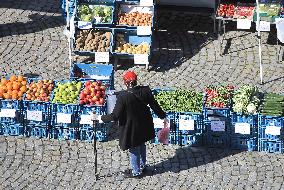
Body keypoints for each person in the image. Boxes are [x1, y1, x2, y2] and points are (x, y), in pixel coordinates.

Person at [93, 70, 168, 179]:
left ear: (125, 83)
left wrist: (99, 118)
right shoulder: (145, 91)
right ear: (136, 81)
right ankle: (143, 166)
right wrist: (163, 116)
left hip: (131, 127)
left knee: (134, 147)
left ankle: (136, 172)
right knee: (142, 144)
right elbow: (154, 105)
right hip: (144, 125)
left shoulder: (123, 97)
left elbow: (115, 116)